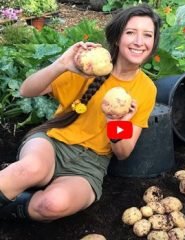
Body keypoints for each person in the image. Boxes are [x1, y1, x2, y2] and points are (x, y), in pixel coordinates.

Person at [0, 4, 161, 221]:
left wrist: (116, 123)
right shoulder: (89, 66)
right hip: (54, 142)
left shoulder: (147, 89)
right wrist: (61, 64)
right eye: (130, 32)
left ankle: (17, 204)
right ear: (116, 38)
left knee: (51, 204)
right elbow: (26, 90)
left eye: (147, 35)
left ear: (153, 43)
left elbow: (123, 153)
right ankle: (20, 183)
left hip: (91, 164)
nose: (139, 42)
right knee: (30, 169)